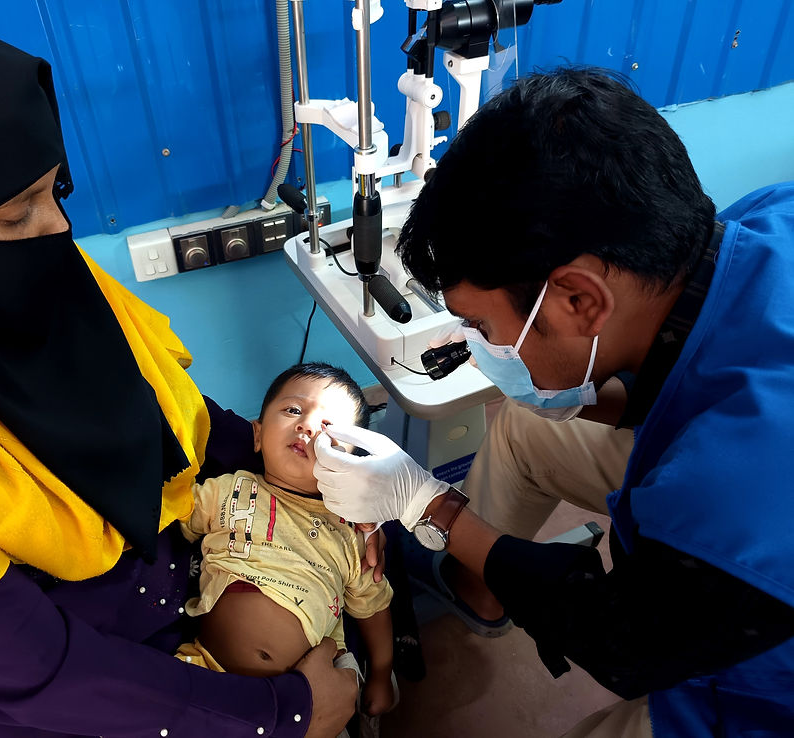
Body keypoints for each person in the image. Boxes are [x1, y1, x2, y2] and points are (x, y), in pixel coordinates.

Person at [0, 3, 357, 736]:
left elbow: (178, 417)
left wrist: (332, 495)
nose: (58, 232)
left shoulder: (28, 280)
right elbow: (32, 669)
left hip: (191, 623)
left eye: (55, 192)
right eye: (14, 215)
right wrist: (281, 715)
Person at [312, 66, 794, 737]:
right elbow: (693, 358)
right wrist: (582, 399)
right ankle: (476, 585)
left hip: (758, 668)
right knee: (528, 429)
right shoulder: (762, 222)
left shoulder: (742, 493)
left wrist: (432, 505)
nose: (476, 344)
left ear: (579, 299)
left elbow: (622, 643)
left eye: (481, 328)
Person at [177, 363, 396, 720]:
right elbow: (169, 513)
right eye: (294, 410)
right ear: (258, 434)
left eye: (329, 427)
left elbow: (374, 608)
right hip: (205, 669)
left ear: (349, 464)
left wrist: (382, 675)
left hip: (313, 692)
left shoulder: (353, 533)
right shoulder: (228, 489)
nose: (307, 425)